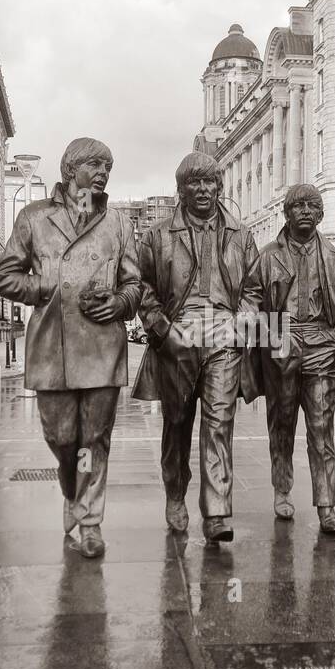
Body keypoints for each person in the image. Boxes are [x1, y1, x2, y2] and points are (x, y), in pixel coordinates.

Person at [0, 137, 141, 558]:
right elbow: (5, 277)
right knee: (61, 438)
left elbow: (135, 283)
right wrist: (43, 287)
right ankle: (71, 491)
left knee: (95, 439)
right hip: (52, 348)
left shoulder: (117, 223)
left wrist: (119, 302)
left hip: (101, 347)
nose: (102, 173)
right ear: (69, 169)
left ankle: (90, 521)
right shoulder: (33, 217)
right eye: (94, 164)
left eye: (108, 167)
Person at [131, 152, 258, 542]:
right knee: (177, 423)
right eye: (194, 182)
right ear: (180, 189)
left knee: (219, 423)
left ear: (220, 186)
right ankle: (175, 491)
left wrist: (241, 323)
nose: (203, 189)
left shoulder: (241, 234)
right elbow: (143, 289)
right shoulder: (157, 234)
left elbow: (254, 290)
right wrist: (162, 330)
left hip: (223, 335)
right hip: (177, 335)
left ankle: (218, 512)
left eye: (209, 182)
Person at [242, 184, 335, 535]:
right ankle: (282, 488)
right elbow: (249, 302)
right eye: (298, 205)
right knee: (282, 425)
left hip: (321, 345)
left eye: (312, 205)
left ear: (320, 214)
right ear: (286, 213)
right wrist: (271, 337)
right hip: (281, 343)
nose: (305, 211)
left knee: (321, 430)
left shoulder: (334, 257)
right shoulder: (267, 256)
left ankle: (326, 505)